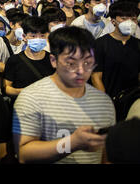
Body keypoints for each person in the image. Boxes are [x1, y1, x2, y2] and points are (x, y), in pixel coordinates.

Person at [12, 26, 116, 164]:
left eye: (87, 62)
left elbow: (106, 155)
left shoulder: (103, 102)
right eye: (71, 63)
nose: (81, 70)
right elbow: (24, 154)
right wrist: (71, 144)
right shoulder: (31, 97)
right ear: (53, 60)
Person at [91, 1, 140, 100]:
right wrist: (104, 101)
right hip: (108, 97)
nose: (129, 22)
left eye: (133, 19)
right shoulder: (101, 44)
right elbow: (96, 76)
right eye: (124, 18)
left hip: (133, 99)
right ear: (113, 21)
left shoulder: (138, 44)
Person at [4, 16, 55, 99]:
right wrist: (26, 92)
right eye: (33, 36)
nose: (38, 39)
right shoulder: (14, 60)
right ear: (24, 37)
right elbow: (7, 88)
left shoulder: (52, 59)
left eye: (42, 36)